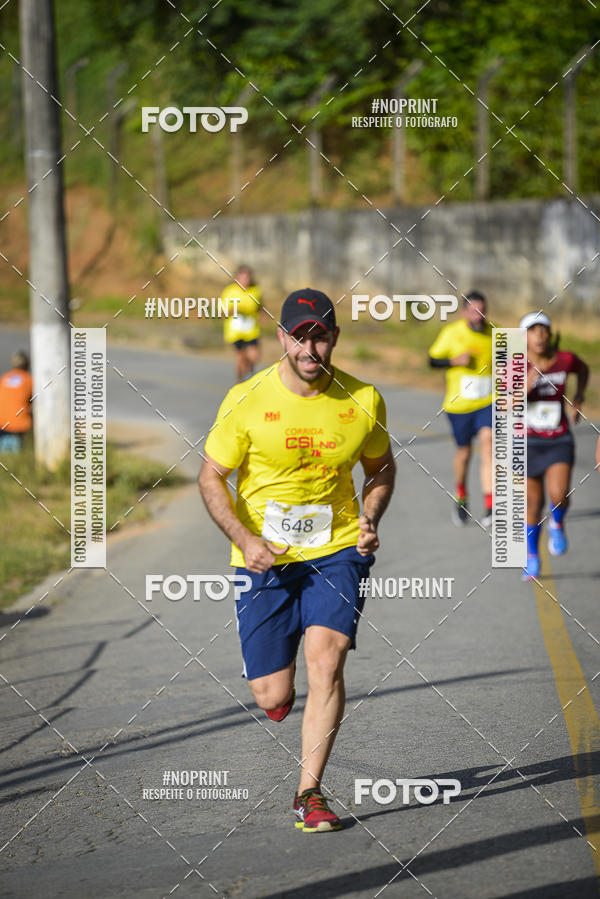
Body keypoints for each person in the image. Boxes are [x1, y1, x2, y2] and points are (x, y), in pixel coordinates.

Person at [199, 288, 395, 832]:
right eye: (300, 336)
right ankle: (270, 676)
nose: (311, 348)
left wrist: (371, 516)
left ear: (335, 338)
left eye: (321, 336)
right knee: (274, 694)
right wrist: (245, 538)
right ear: (282, 338)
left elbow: (381, 468)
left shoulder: (363, 399)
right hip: (262, 556)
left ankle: (309, 793)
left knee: (327, 661)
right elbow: (210, 477)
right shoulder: (245, 398)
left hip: (337, 549)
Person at [520, 312, 588, 580]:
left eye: (543, 330)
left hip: (558, 438)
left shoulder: (564, 360)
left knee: (558, 494)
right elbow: (502, 405)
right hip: (527, 441)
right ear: (524, 337)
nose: (538, 336)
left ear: (550, 334)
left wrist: (579, 397)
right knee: (533, 504)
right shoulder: (515, 365)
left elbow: (583, 369)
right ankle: (532, 557)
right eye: (532, 331)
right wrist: (523, 389)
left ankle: (557, 522)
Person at [428, 291, 493, 526]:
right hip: (459, 405)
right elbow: (432, 360)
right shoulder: (451, 333)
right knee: (464, 453)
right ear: (464, 312)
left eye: (482, 311)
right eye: (474, 311)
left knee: (488, 444)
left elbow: (514, 360)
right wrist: (453, 361)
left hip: (488, 402)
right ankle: (461, 496)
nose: (478, 316)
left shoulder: (495, 332)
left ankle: (490, 506)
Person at [221, 265, 263, 382]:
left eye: (247, 277)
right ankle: (239, 383)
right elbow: (222, 312)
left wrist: (262, 316)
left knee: (254, 356)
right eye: (243, 277)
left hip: (251, 330)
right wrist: (235, 310)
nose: (245, 280)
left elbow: (260, 306)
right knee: (240, 357)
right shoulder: (229, 291)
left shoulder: (255, 291)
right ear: (237, 278)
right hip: (235, 330)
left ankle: (249, 367)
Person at [0, 351, 33, 452]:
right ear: (27, 365)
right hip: (20, 427)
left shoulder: (5, 378)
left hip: (2, 424)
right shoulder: (29, 380)